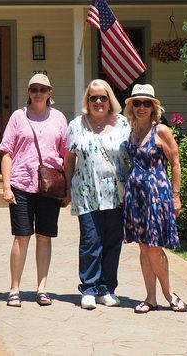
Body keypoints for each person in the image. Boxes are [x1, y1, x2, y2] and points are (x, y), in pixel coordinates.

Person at [0, 73, 68, 308]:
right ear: (28, 92)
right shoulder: (18, 117)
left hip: (49, 185)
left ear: (50, 93)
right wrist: (6, 186)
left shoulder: (59, 118)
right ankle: (14, 289)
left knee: (45, 237)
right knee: (22, 236)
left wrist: (67, 188)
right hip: (21, 184)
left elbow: (66, 155)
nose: (37, 93)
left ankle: (42, 289)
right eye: (33, 89)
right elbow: (7, 153)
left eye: (42, 89)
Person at [64, 79, 131, 310]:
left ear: (110, 99)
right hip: (86, 191)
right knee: (91, 241)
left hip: (116, 194)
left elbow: (133, 155)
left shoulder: (123, 123)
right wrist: (67, 187)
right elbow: (69, 159)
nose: (99, 102)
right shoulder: (76, 125)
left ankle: (107, 289)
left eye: (103, 97)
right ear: (87, 101)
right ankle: (89, 289)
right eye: (93, 98)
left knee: (113, 241)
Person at [122, 84, 187, 313]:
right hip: (135, 196)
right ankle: (150, 297)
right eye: (137, 103)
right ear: (131, 106)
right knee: (143, 247)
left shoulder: (160, 130)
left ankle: (170, 294)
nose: (141, 107)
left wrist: (176, 196)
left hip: (156, 195)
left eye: (146, 103)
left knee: (154, 248)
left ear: (154, 107)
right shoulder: (132, 130)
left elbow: (176, 163)